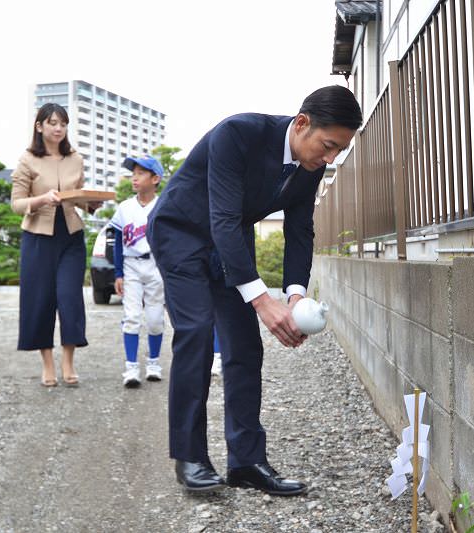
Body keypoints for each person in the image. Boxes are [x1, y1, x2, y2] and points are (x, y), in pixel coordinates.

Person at [147, 85, 361, 496]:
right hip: (182, 232)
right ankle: (190, 457)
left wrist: (295, 295)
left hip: (230, 240)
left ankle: (246, 462)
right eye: (328, 146)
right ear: (302, 124)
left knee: (245, 346)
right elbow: (224, 218)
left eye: (339, 151)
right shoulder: (238, 134)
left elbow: (300, 230)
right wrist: (263, 299)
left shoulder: (310, 166)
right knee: (195, 331)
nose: (331, 158)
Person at [10, 103, 100, 388]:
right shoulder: (27, 160)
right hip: (38, 237)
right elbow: (16, 203)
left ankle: (68, 361)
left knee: (70, 297)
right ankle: (47, 364)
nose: (58, 128)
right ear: (39, 126)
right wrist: (41, 200)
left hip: (70, 236)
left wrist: (92, 203)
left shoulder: (76, 158)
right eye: (52, 123)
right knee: (41, 300)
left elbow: (78, 197)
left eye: (63, 123)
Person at [110, 155, 167, 387]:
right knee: (132, 317)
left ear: (155, 179)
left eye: (141, 173)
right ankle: (131, 368)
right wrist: (118, 274)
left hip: (155, 265)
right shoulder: (125, 208)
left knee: (155, 319)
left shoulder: (163, 204)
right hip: (131, 264)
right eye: (133, 172)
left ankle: (153, 364)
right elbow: (116, 241)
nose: (134, 177)